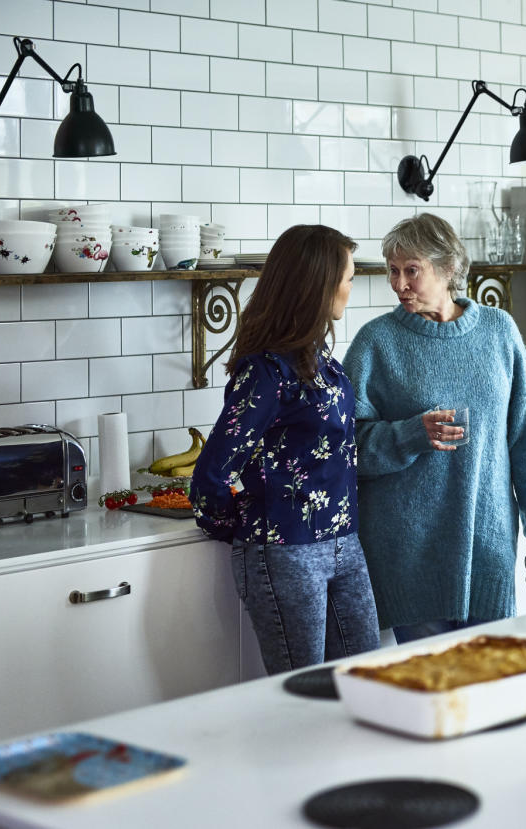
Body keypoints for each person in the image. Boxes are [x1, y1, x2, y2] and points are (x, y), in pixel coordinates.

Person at [343, 213, 526, 644]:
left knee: (491, 687)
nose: (399, 284)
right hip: (409, 556)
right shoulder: (376, 343)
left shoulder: (500, 332)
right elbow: (343, 449)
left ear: (448, 269)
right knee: (432, 690)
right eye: (393, 270)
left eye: (412, 271)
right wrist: (409, 435)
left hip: (490, 549)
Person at [190, 224, 381, 674]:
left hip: (344, 544)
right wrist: (242, 525)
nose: (351, 288)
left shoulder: (324, 366)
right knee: (303, 695)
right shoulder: (265, 373)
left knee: (367, 682)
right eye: (349, 277)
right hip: (285, 554)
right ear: (318, 284)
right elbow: (211, 477)